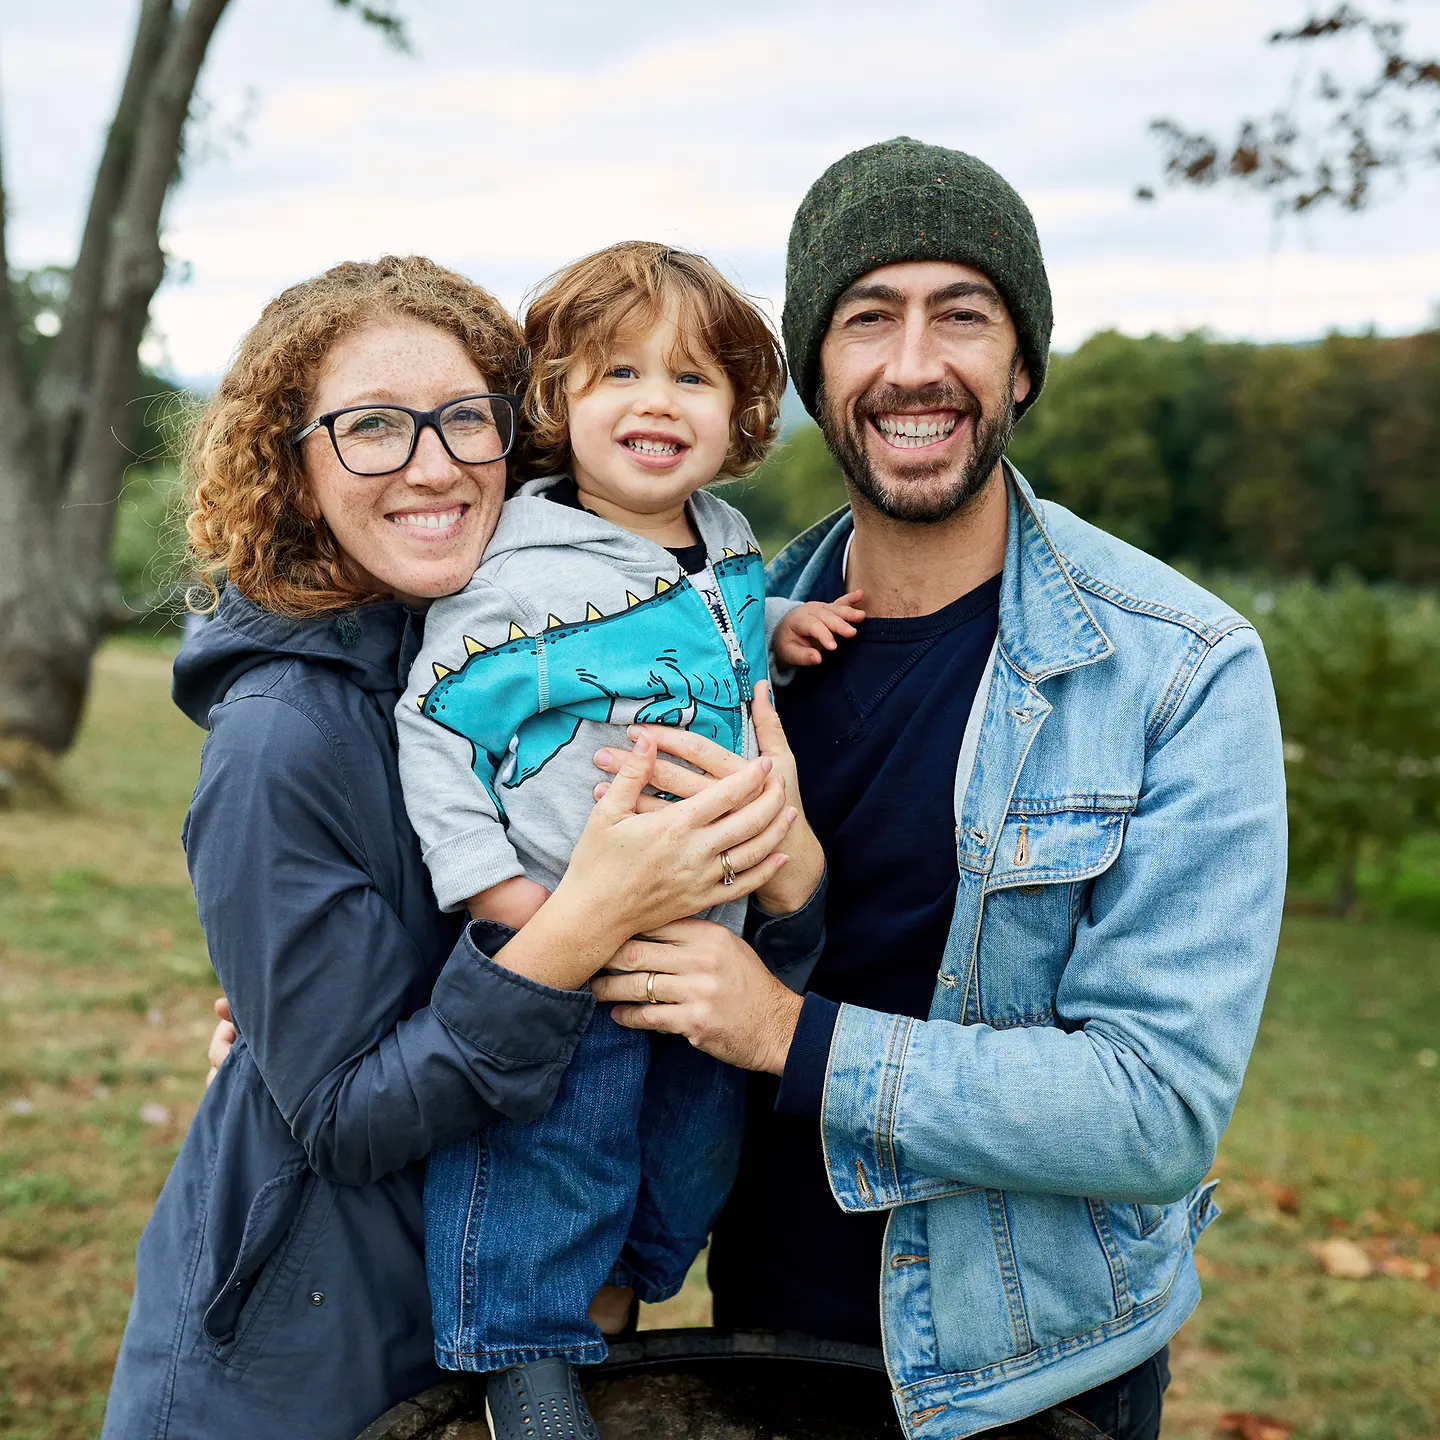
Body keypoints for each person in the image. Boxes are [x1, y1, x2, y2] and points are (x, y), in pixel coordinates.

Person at [588, 137, 1289, 1439]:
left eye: (961, 314)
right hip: (750, 1346)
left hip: (1031, 1372)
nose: (915, 364)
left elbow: (1158, 1110)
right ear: (816, 372)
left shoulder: (1179, 672)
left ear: (1020, 363)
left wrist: (791, 1036)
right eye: (868, 319)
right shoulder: (714, 652)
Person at [101, 255, 814, 1440]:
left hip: (485, 1313)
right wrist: (580, 926)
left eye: (461, 420)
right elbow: (344, 1118)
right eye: (372, 427)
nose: (431, 464)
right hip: (298, 1368)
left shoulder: (471, 638)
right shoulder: (280, 739)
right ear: (293, 462)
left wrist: (793, 887)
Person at [394, 241, 847, 1433]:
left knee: (681, 1157)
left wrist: (788, 622)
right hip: (570, 934)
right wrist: (498, 894)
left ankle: (610, 1320)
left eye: (694, 379)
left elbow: (717, 620)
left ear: (740, 412)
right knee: (553, 1159)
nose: (658, 402)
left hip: (707, 947)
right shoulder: (515, 578)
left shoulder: (729, 539)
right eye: (618, 375)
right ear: (556, 402)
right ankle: (524, 1369)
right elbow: (436, 725)